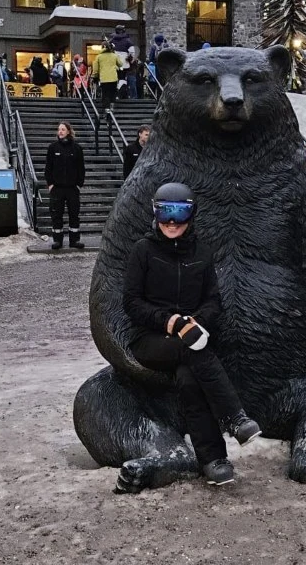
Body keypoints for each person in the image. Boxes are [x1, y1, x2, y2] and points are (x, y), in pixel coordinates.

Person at [122, 182, 261, 487]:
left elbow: (215, 301)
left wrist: (194, 322)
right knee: (191, 350)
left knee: (189, 377)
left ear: (191, 214)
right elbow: (131, 303)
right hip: (150, 340)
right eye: (165, 214)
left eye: (180, 214)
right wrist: (170, 321)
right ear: (155, 215)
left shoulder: (202, 252)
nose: (172, 222)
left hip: (191, 336)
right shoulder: (143, 251)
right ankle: (235, 417)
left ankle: (212, 459)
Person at [45, 121, 86, 251]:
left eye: (63, 129)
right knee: (56, 215)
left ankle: (74, 240)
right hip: (57, 188)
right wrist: (50, 184)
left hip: (72, 188)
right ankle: (57, 240)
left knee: (74, 214)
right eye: (59, 129)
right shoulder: (53, 148)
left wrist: (79, 185)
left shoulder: (77, 148)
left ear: (68, 131)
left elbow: (81, 169)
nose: (60, 132)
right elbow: (48, 168)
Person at [92, 41, 126, 111]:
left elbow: (95, 69)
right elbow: (120, 64)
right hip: (113, 77)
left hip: (104, 78)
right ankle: (112, 106)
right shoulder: (114, 55)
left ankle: (106, 109)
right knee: (113, 92)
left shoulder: (99, 57)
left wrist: (95, 76)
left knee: (105, 93)